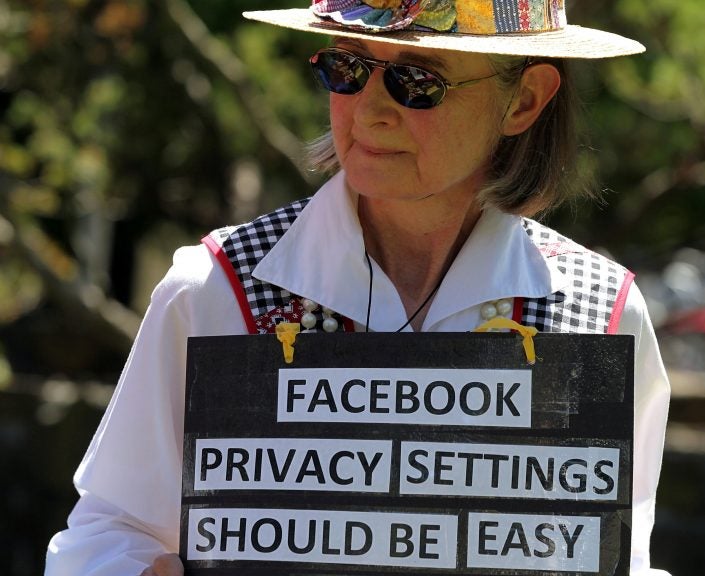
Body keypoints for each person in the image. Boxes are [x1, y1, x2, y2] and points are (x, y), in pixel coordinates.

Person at [45, 1, 671, 575]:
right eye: (347, 67)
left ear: (525, 101)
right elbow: (108, 531)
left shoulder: (602, 317)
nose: (370, 109)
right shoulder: (213, 292)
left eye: (418, 80)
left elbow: (618, 555)